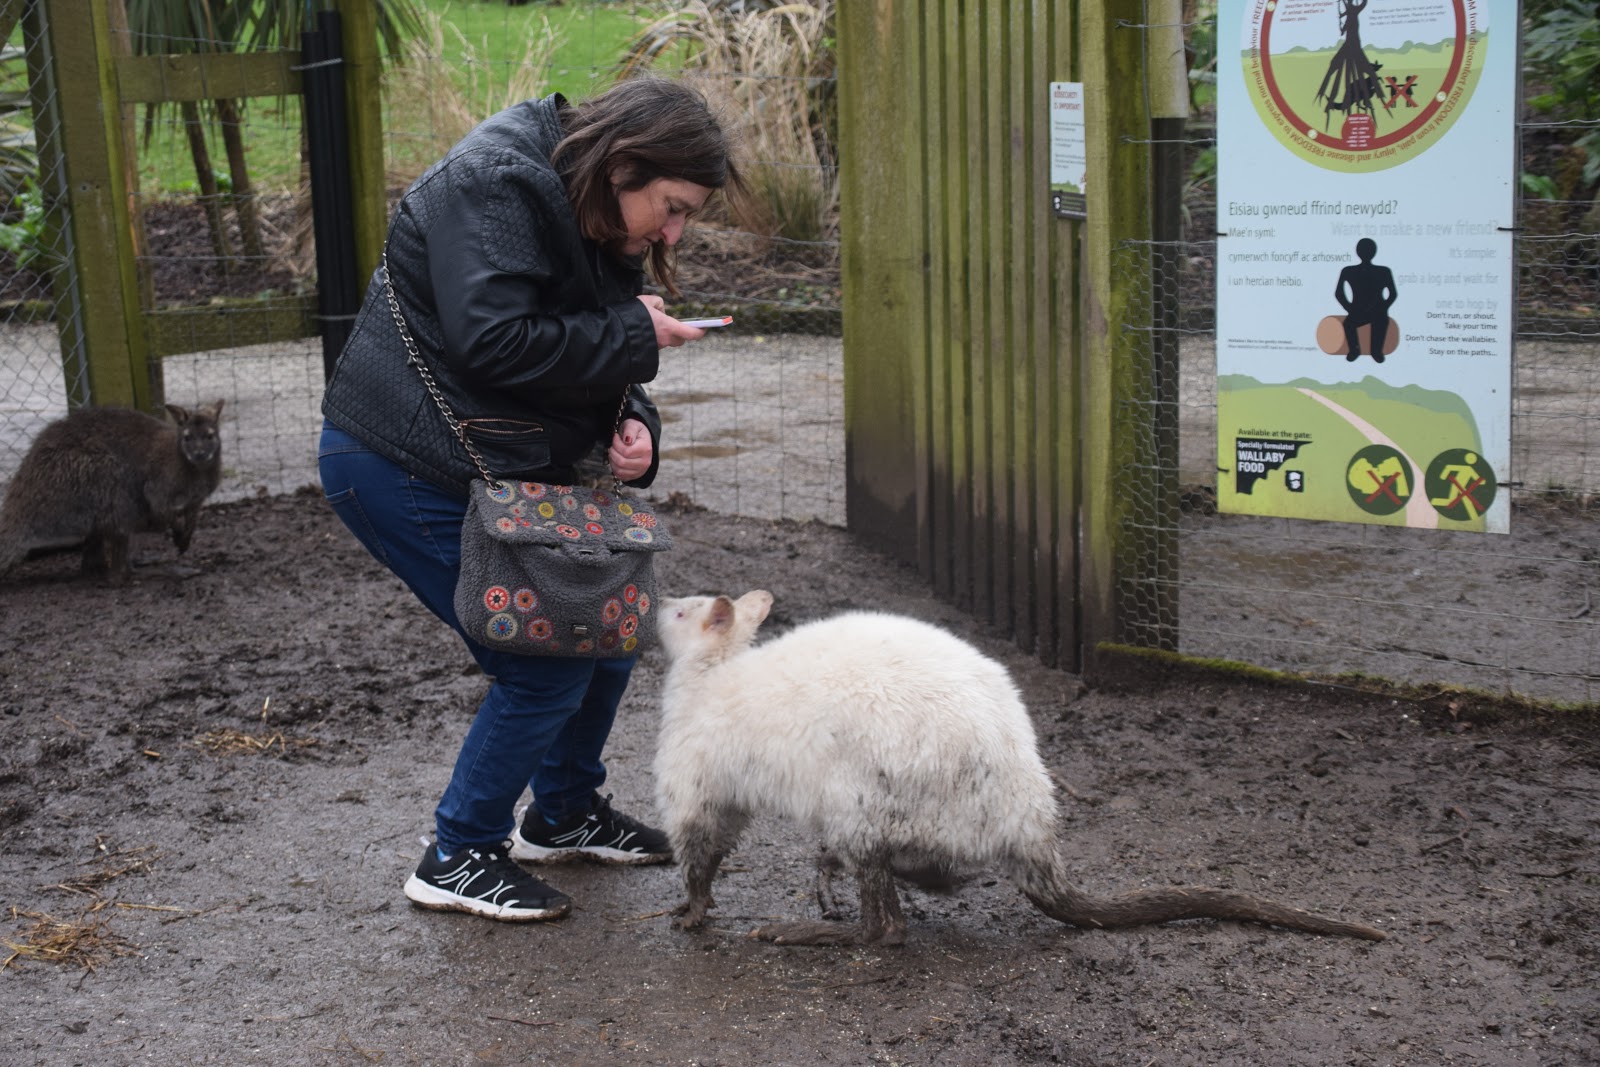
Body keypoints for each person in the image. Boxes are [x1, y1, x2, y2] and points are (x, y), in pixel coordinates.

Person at [317, 76, 742, 922]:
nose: (674, 232)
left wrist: (638, 428)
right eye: (672, 208)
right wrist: (636, 333)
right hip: (402, 462)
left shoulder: (596, 204)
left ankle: (563, 812)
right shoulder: (495, 184)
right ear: (624, 163)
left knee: (607, 630)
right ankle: (458, 852)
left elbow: (597, 350)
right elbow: (494, 342)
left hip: (494, 465)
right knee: (544, 659)